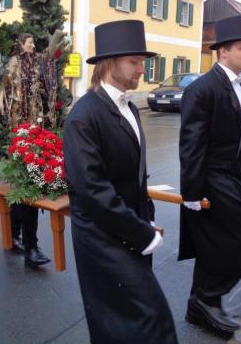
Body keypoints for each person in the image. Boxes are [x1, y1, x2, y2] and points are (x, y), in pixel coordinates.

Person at [63, 20, 177, 343]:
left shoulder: (131, 108)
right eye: (135, 62)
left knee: (127, 321)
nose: (142, 69)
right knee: (145, 316)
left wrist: (147, 215)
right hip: (102, 237)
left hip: (131, 227)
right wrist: (140, 231)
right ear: (110, 63)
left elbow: (136, 173)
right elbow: (92, 191)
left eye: (143, 61)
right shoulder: (83, 116)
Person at [178, 15, 241, 337]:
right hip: (210, 181)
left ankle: (202, 304)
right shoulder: (202, 89)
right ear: (223, 51)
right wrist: (190, 194)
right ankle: (205, 300)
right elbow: (191, 146)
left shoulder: (239, 86)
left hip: (229, 178)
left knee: (215, 246)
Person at [0, 33, 50, 266]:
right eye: (30, 43)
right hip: (17, 125)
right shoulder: (14, 64)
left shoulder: (36, 62)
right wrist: (2, 102)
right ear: (20, 45)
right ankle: (23, 240)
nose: (33, 45)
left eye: (34, 43)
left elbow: (44, 90)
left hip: (35, 124)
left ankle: (23, 240)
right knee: (21, 184)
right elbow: (5, 90)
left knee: (27, 184)